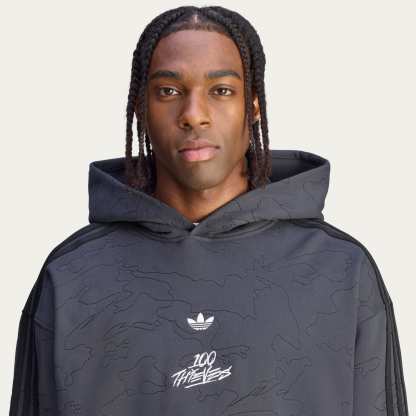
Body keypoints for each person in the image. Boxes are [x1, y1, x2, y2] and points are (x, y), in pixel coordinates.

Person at [9, 5, 408, 416]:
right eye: (168, 91)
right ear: (140, 109)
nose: (194, 115)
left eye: (221, 91)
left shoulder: (341, 271)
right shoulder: (72, 276)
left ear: (253, 106)